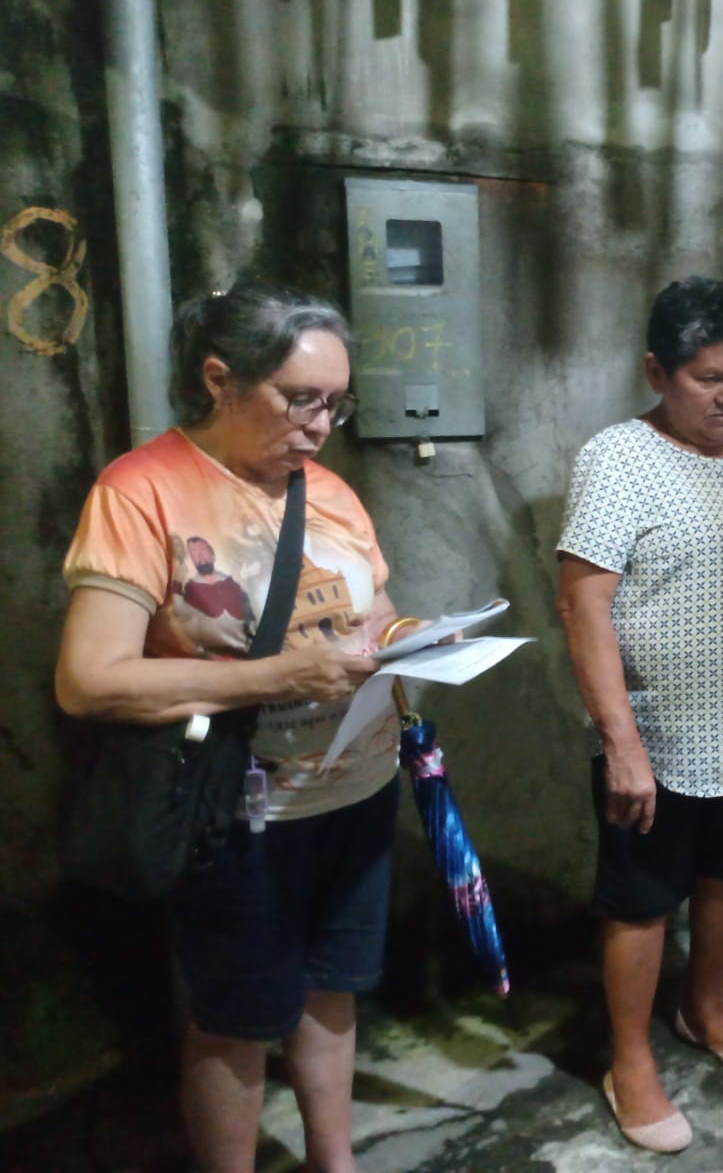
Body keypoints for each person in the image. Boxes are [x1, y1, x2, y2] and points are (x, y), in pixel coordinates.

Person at [55, 284, 422, 1173]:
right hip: (237, 815)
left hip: (354, 790)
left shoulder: (328, 491)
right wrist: (273, 676)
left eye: (336, 404)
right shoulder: (142, 492)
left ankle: (334, 1160)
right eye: (301, 400)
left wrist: (415, 644)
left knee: (333, 988)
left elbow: (376, 613)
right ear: (221, 380)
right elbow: (88, 679)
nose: (321, 426)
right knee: (235, 1019)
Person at [555, 277, 723, 1154]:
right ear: (658, 372)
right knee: (643, 903)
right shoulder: (618, 459)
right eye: (709, 379)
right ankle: (629, 1061)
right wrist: (620, 743)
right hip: (660, 741)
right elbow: (583, 603)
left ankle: (704, 1006)